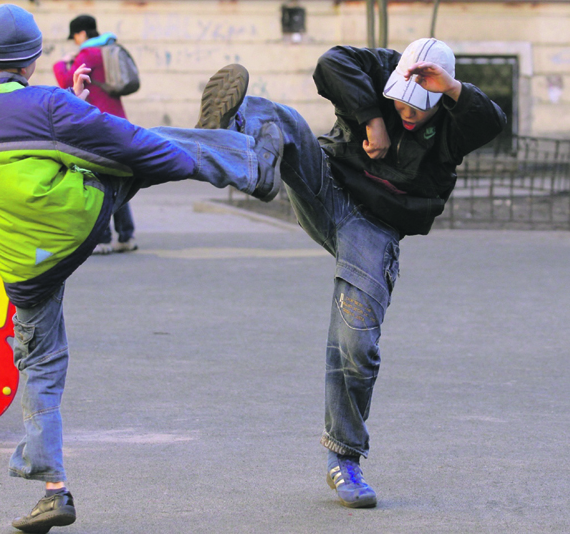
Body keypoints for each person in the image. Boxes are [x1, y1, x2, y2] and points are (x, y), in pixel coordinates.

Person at [0, 4, 283, 533]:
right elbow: (130, 145)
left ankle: (52, 489)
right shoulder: (46, 105)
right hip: (74, 225)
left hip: (22, 266)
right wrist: (190, 160)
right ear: (30, 58)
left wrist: (70, 106)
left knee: (39, 364)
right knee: (140, 153)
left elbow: (30, 134)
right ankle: (248, 164)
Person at [194, 39, 506, 509]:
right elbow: (330, 63)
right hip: (329, 186)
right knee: (279, 119)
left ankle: (345, 458)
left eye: (418, 107)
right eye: (400, 99)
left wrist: (454, 89)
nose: (407, 111)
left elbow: (492, 122)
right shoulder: (381, 69)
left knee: (356, 344)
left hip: (376, 230)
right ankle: (241, 146)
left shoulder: (454, 124)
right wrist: (373, 119)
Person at [53, 14, 137, 255]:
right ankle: (126, 236)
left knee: (99, 181)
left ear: (80, 34)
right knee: (118, 179)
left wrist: (62, 63)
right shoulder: (108, 48)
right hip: (119, 122)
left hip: (99, 125)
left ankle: (102, 238)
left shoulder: (87, 55)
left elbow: (67, 84)